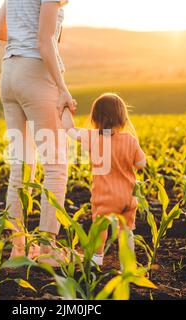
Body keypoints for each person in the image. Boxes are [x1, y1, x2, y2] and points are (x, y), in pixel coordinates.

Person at [0, 0, 76, 266]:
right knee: (55, 165)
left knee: (21, 163)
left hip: (9, 72)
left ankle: (19, 248)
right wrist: (62, 88)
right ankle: (48, 250)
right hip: (35, 72)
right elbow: (44, 40)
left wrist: (21, 37)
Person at [61, 93, 146, 266]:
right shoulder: (130, 139)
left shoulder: (93, 137)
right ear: (123, 117)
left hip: (104, 196)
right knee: (126, 231)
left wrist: (65, 109)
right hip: (127, 197)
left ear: (95, 118)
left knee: (99, 227)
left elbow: (69, 129)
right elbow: (141, 164)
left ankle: (96, 258)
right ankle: (127, 265)